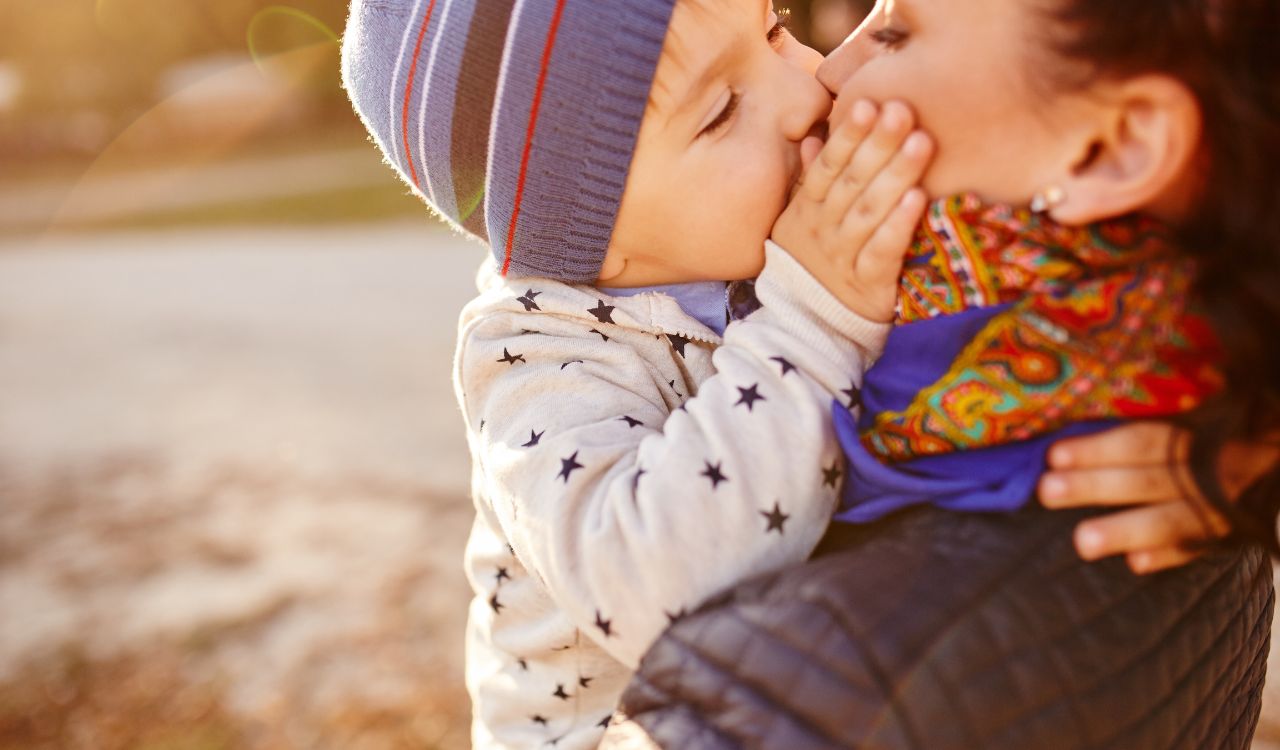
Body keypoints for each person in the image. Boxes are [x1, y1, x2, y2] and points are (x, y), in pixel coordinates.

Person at [614, 0, 1280, 746]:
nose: (829, 71)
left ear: (1113, 149)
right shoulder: (1206, 414)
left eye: (896, 34)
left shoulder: (807, 689)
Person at [343, 0, 945, 745]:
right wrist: (816, 319)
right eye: (722, 111)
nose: (808, 92)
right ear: (591, 249)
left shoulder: (758, 233)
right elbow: (651, 585)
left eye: (775, 30)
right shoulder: (537, 354)